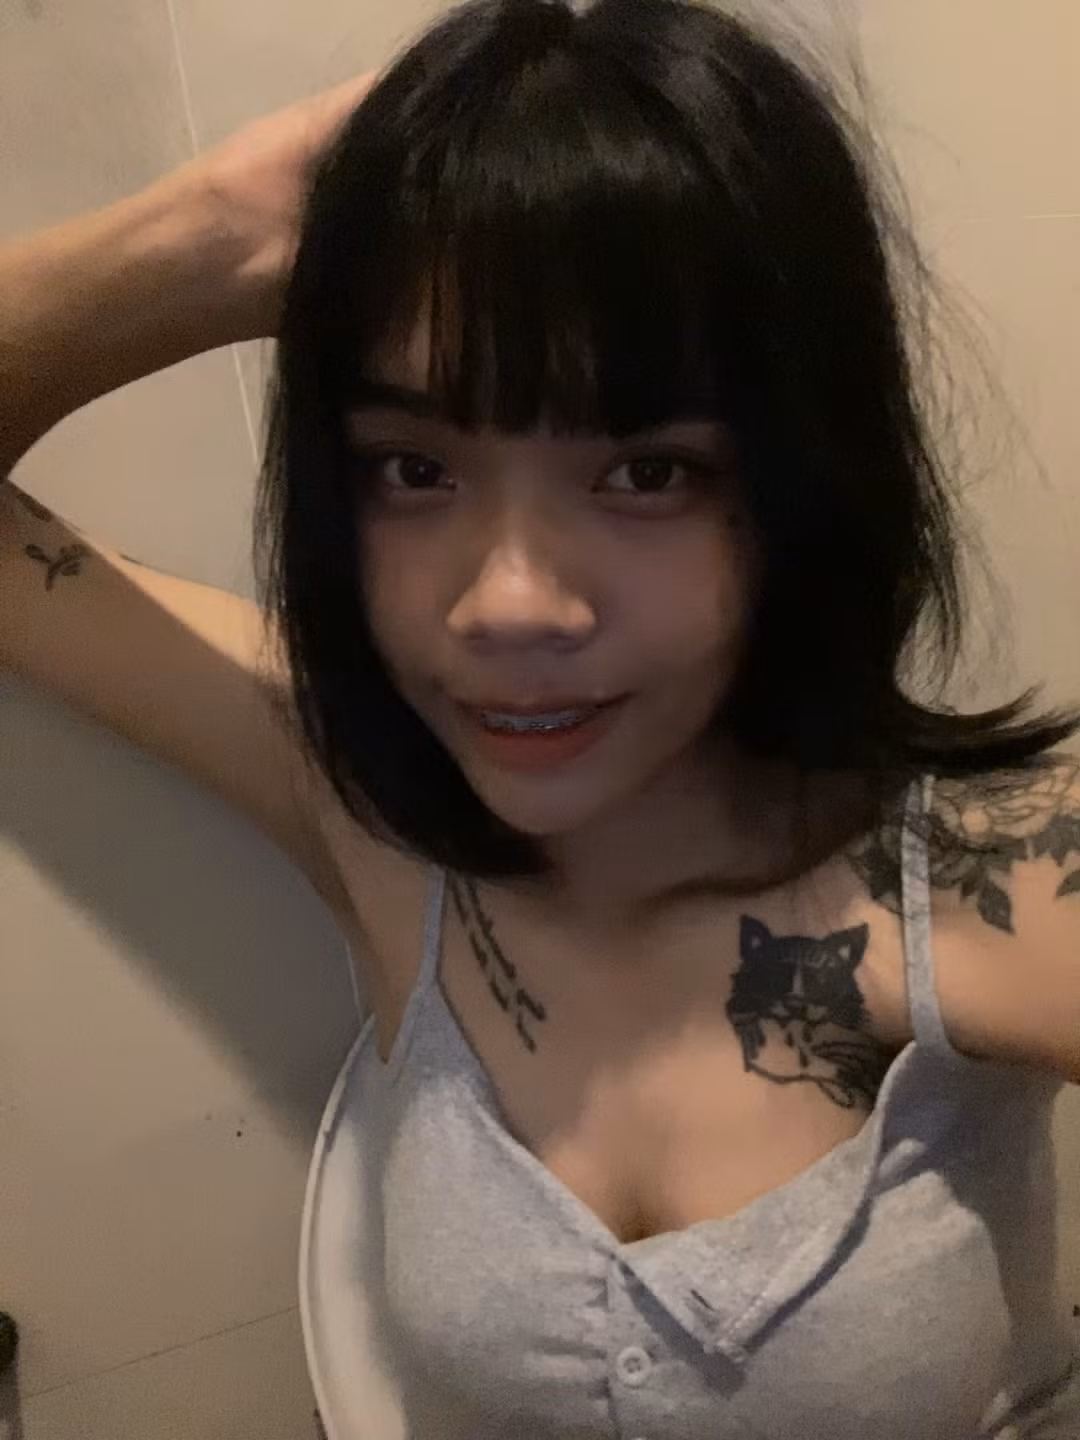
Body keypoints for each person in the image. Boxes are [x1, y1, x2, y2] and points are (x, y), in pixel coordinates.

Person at [3, 0, 1080, 1435]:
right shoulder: (364, 809)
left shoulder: (1002, 879)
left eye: (647, 473)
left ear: (802, 482)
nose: (507, 604)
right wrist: (213, 235)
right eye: (413, 468)